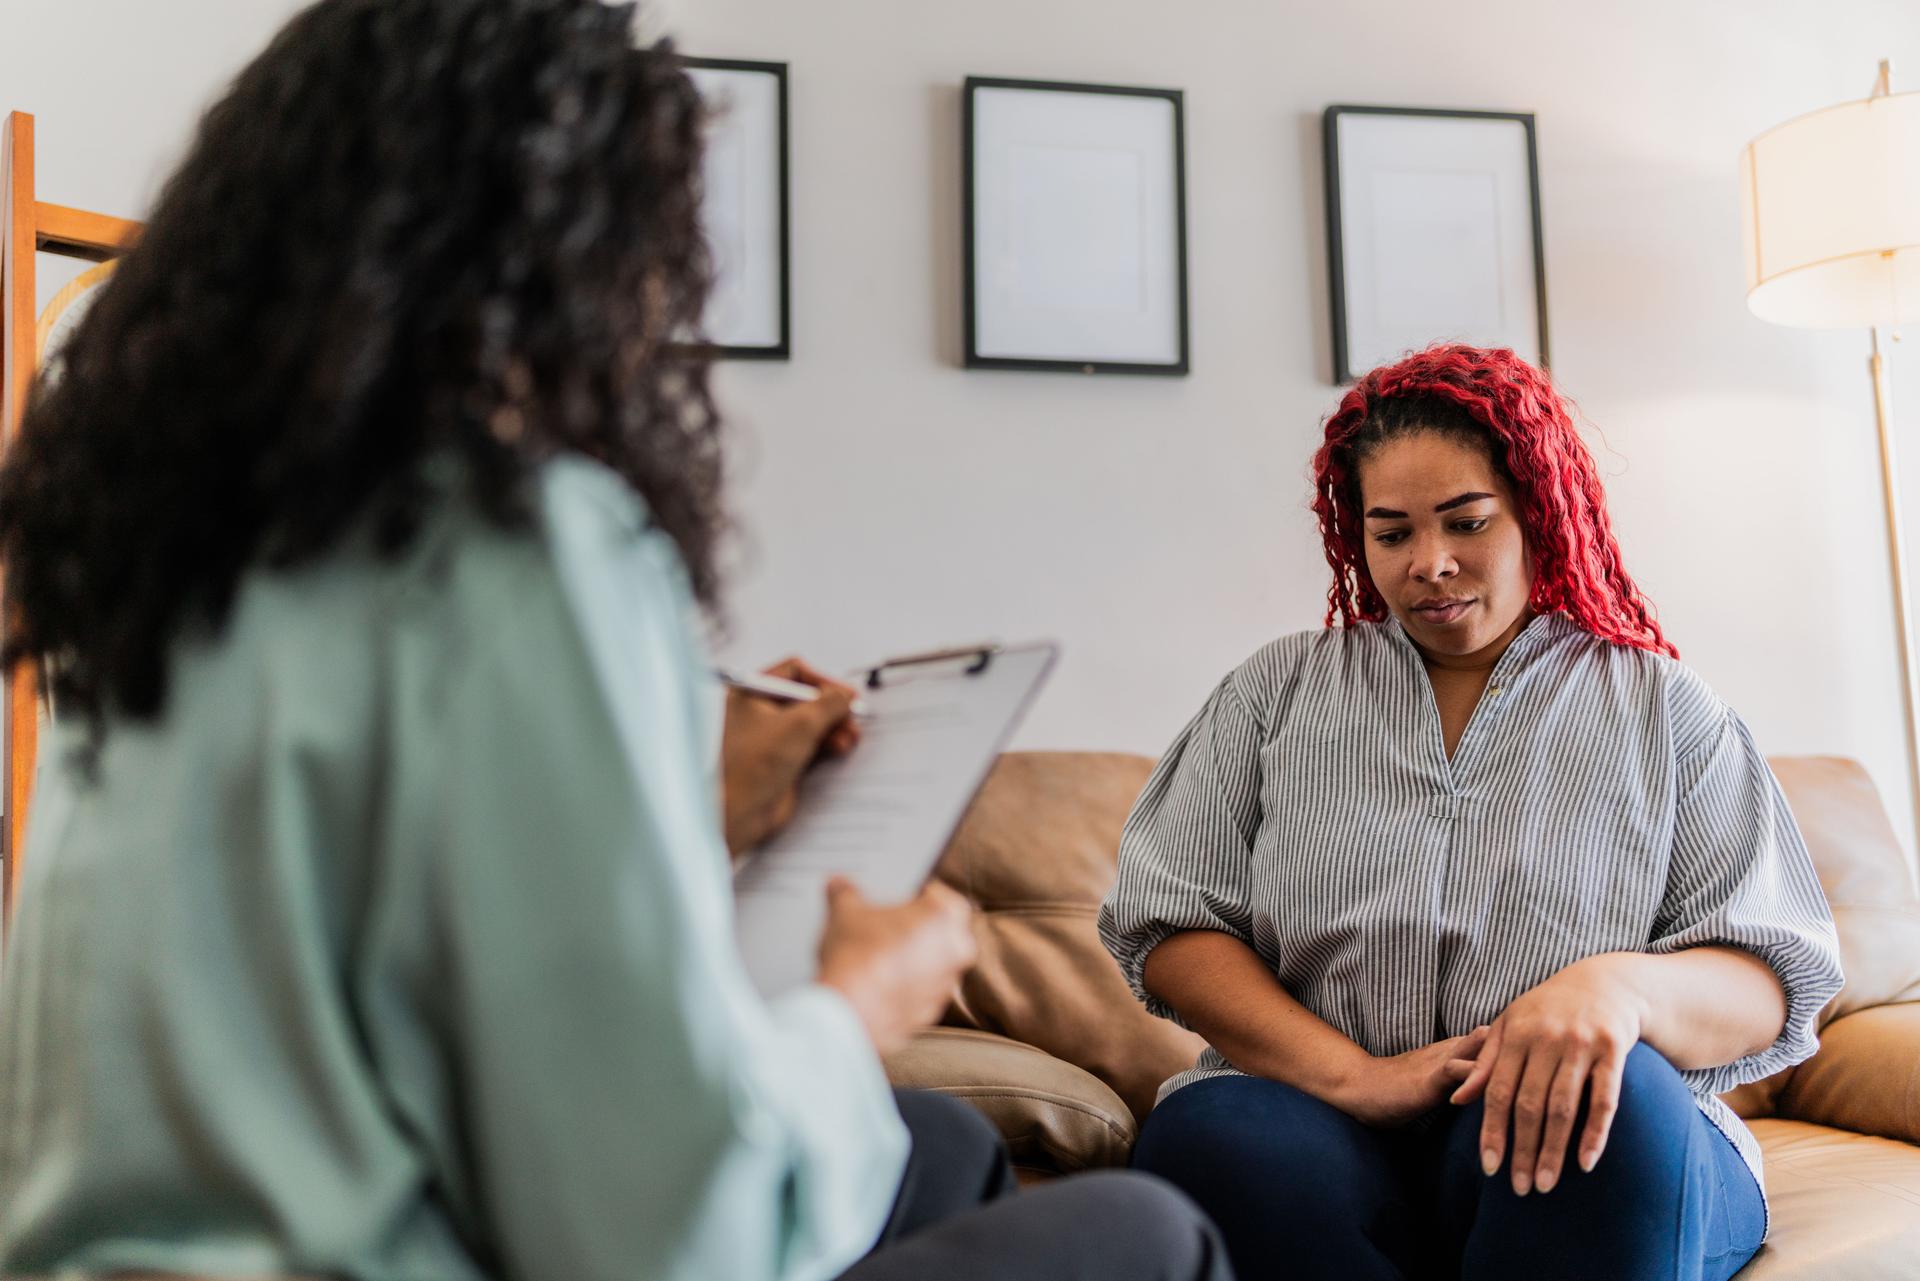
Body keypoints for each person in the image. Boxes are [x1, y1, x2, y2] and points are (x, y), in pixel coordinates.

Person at [0, 3, 1231, 1280]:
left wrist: (700, 810)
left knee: (934, 1149)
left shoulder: (170, 551)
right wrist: (855, 1002)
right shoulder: (516, 538)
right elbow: (664, 1241)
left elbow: (380, 955)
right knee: (1146, 1235)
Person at [1099, 345, 1845, 1281]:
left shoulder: (1664, 708)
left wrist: (1618, 990)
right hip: (1316, 1118)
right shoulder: (1275, 692)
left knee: (1604, 1104)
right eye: (1392, 532)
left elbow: (1768, 979)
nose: (1430, 564)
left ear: (1536, 509)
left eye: (1466, 522)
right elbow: (1174, 924)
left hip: (1584, 1143)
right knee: (1207, 1139)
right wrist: (1357, 1079)